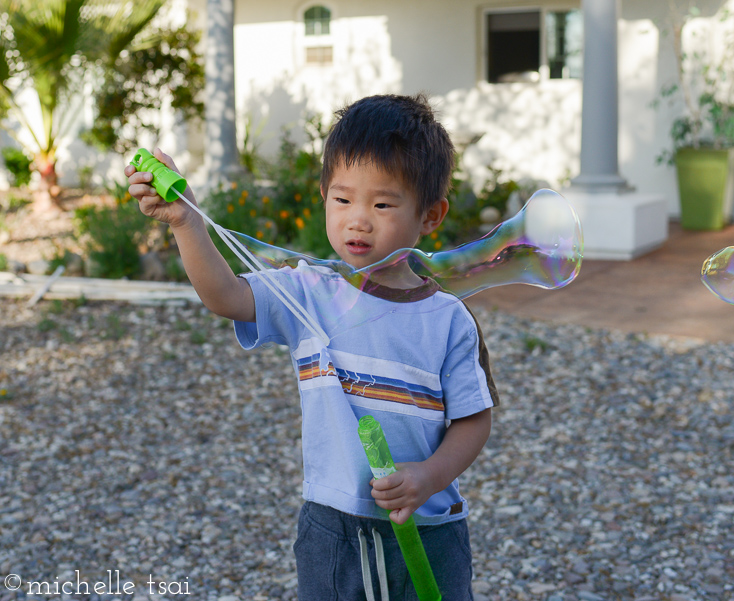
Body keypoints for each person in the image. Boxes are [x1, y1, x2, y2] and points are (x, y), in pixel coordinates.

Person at [125, 93, 498, 600]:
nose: (358, 220)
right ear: (324, 195)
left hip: (428, 528)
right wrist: (186, 222)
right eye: (342, 199)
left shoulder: (449, 320)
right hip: (332, 526)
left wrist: (430, 476)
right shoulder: (309, 292)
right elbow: (226, 295)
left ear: (431, 215)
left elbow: (474, 419)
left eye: (383, 204)